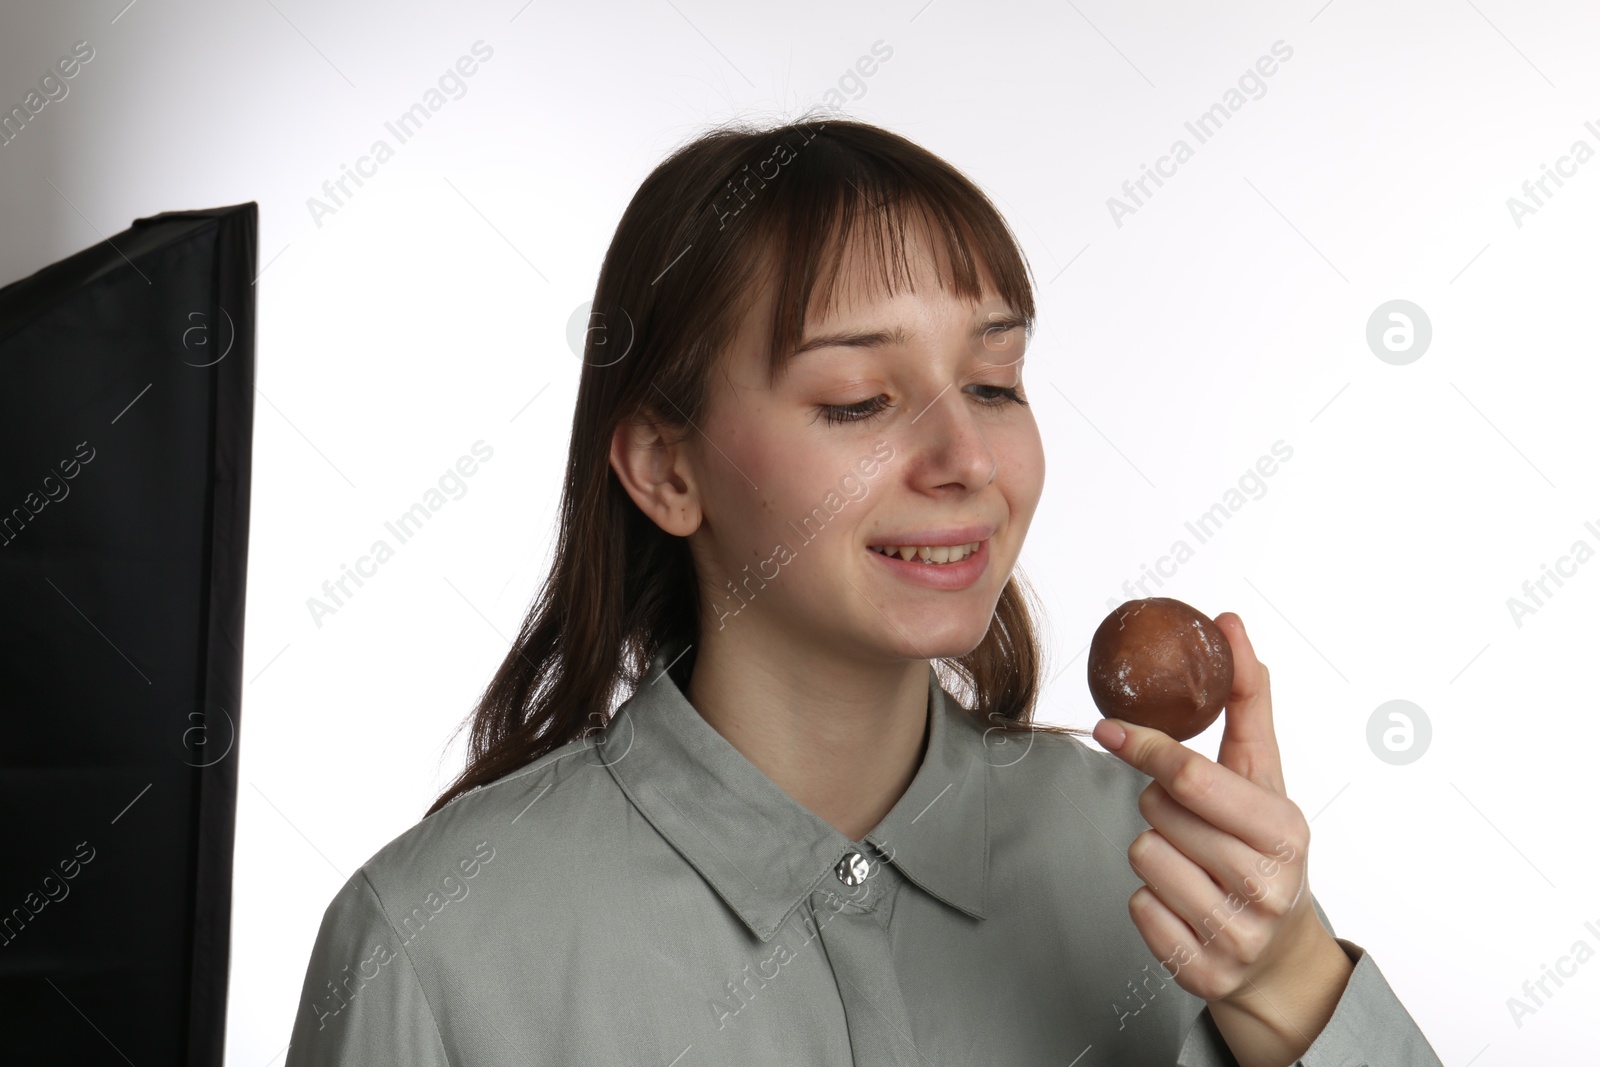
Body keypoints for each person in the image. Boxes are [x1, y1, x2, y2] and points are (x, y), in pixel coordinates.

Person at [284, 115, 1442, 1066]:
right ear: (665, 467)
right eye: (857, 401)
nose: (968, 461)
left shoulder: (1147, 861)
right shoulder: (432, 945)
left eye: (993, 382)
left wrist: (1288, 974)